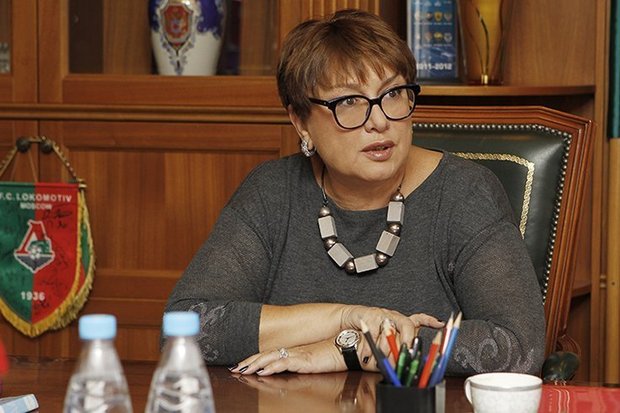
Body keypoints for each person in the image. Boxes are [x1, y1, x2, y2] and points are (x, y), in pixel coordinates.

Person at [164, 9, 545, 377]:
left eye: (393, 93)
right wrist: (345, 318)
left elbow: (518, 347)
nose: (379, 120)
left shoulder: (465, 194)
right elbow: (184, 329)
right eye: (348, 102)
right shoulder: (271, 192)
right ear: (300, 122)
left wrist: (356, 349)